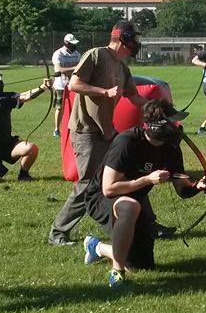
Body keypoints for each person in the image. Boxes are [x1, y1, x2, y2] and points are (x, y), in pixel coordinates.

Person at [83, 99, 206, 290]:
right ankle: (117, 272)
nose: (177, 127)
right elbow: (109, 188)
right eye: (173, 122)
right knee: (131, 206)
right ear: (157, 126)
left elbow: (182, 189)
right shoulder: (127, 142)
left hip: (135, 198)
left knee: (140, 265)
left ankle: (96, 247)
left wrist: (197, 187)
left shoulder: (171, 147)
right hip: (101, 198)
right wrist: (148, 179)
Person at [48, 20, 143, 245]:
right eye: (133, 38)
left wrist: (159, 110)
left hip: (108, 132)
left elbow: (135, 97)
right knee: (88, 184)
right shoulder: (96, 55)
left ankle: (143, 225)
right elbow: (74, 84)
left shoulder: (122, 67)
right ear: (122, 38)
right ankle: (58, 232)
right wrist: (104, 92)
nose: (136, 43)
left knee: (126, 176)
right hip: (86, 131)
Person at [50, 33, 82, 139]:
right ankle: (56, 130)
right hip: (60, 85)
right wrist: (75, 68)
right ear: (66, 43)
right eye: (72, 44)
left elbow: (81, 68)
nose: (74, 46)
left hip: (74, 85)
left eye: (75, 44)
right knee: (60, 108)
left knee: (76, 106)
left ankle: (74, 127)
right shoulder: (58, 53)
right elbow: (59, 70)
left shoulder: (77, 54)